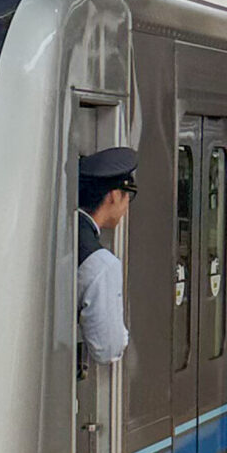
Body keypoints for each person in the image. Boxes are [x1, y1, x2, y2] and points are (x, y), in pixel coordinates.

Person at [77, 146, 136, 364]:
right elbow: (107, 349)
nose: (127, 205)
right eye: (128, 196)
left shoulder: (59, 231)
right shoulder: (101, 264)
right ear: (112, 196)